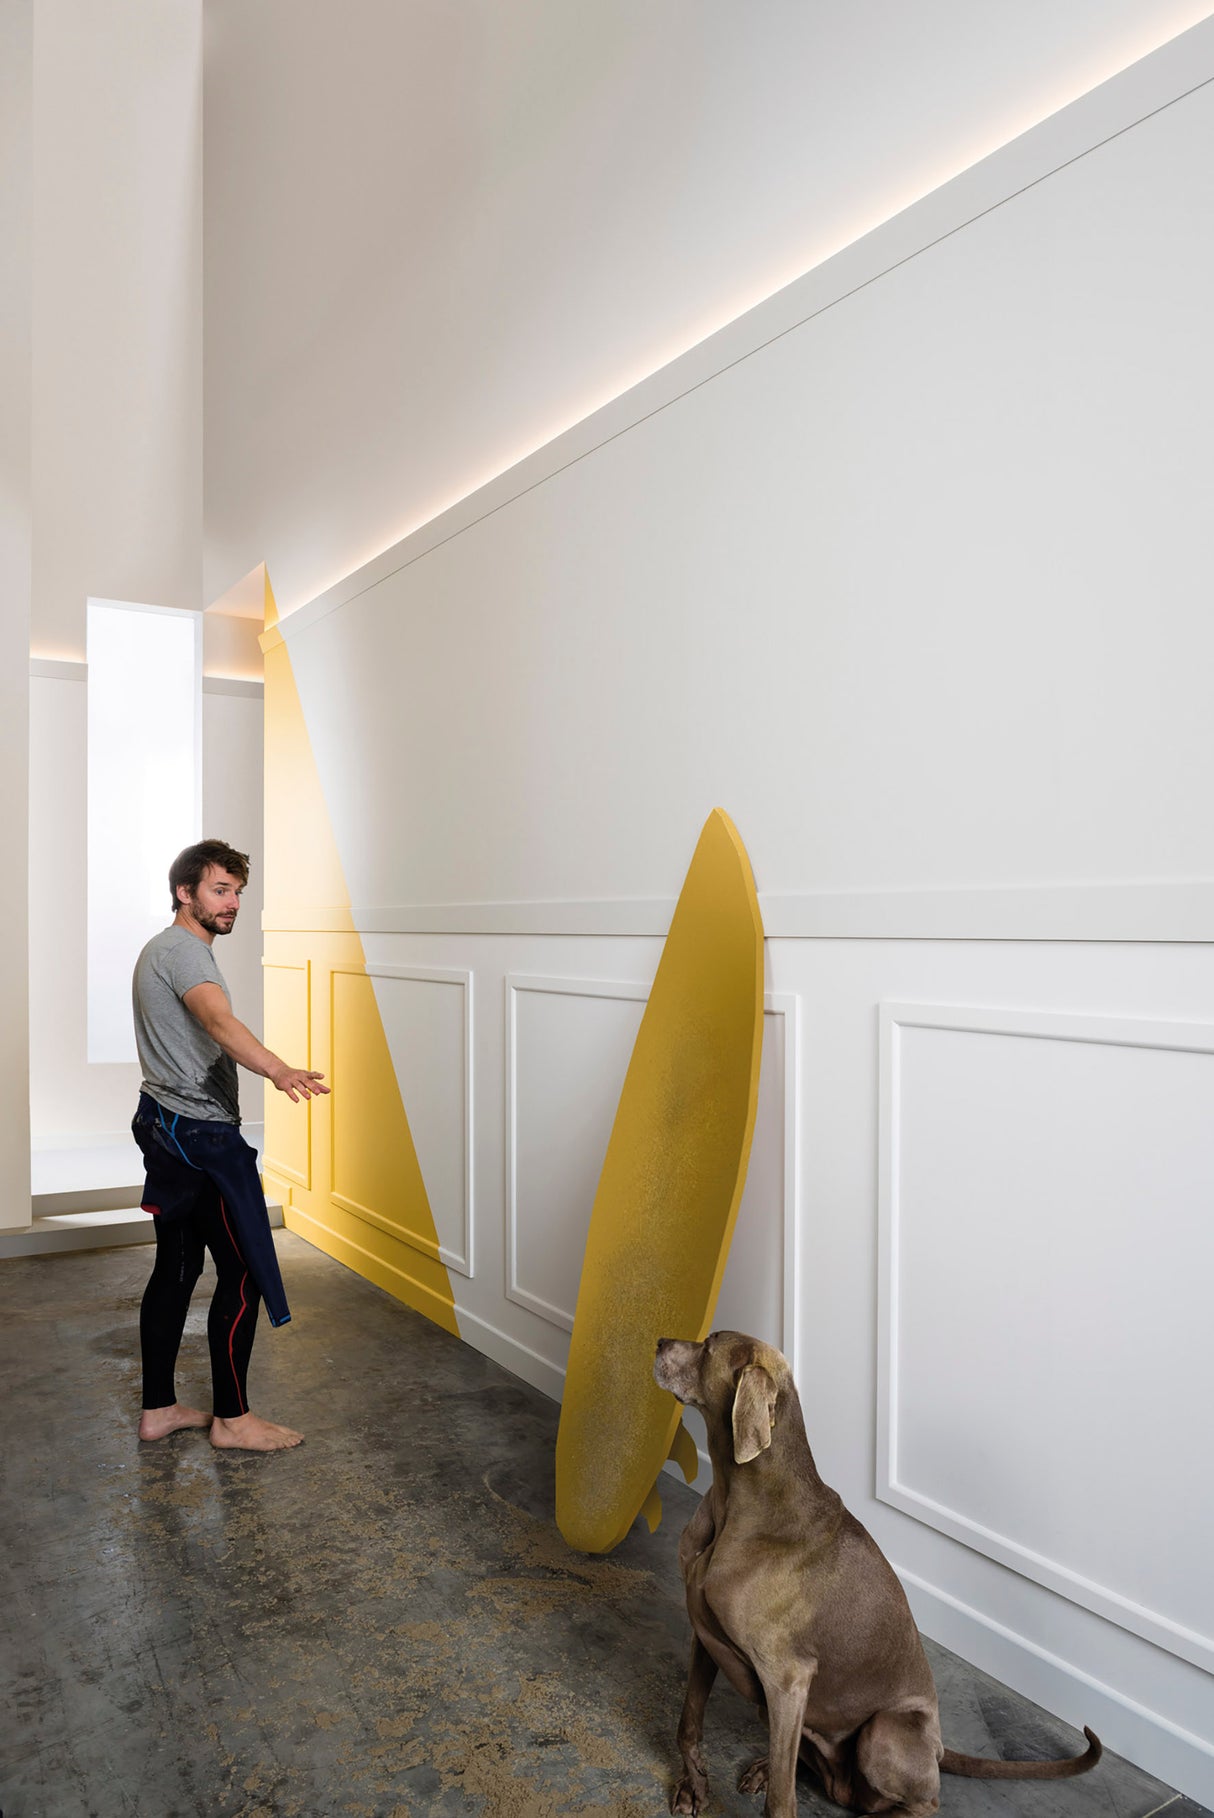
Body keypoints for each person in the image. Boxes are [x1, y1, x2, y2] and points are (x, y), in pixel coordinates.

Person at [131, 838, 329, 1452]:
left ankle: (159, 1410)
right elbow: (218, 1022)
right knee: (243, 1270)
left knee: (180, 1265)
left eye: (239, 892)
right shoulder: (186, 955)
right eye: (221, 889)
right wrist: (278, 1069)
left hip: (162, 1121)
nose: (234, 902)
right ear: (185, 893)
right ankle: (233, 1420)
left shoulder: (160, 950)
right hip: (201, 1136)